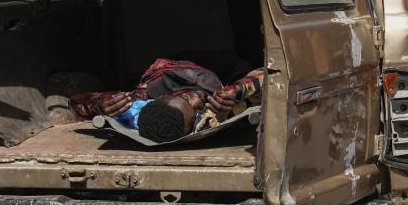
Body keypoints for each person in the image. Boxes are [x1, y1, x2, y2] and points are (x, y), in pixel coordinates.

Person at [70, 58, 265, 143]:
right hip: (230, 69)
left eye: (183, 97)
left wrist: (99, 105)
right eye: (193, 107)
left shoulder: (143, 96)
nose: (194, 97)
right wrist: (238, 90)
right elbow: (268, 75)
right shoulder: (215, 111)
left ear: (161, 98)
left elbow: (75, 103)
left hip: (188, 60)